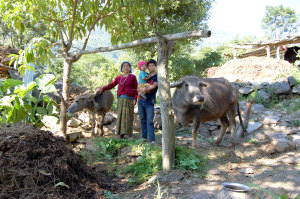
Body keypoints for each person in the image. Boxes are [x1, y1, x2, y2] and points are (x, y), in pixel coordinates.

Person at [96, 61, 137, 139]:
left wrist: (135, 98)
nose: (126, 67)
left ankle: (129, 134)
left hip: (129, 99)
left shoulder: (133, 77)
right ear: (122, 68)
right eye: (124, 66)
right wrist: (102, 88)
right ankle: (120, 133)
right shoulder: (118, 78)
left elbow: (136, 89)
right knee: (121, 116)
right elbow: (111, 85)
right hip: (121, 99)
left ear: (130, 68)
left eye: (128, 66)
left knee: (129, 116)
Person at [138, 59, 158, 144]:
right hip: (141, 99)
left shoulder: (157, 76)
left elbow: (153, 86)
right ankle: (144, 137)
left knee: (150, 120)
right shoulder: (144, 74)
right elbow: (138, 86)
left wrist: (144, 90)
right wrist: (140, 90)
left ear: (155, 66)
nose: (150, 67)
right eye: (149, 65)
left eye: (152, 65)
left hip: (150, 101)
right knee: (142, 119)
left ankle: (152, 140)